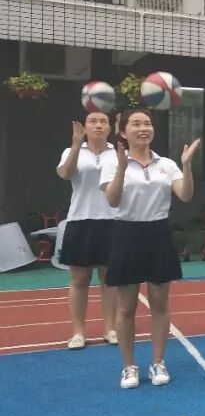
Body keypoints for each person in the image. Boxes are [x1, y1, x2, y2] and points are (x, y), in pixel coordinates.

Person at [100, 108, 199, 389]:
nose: (143, 128)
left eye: (147, 123)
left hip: (158, 234)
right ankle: (128, 366)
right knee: (126, 307)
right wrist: (121, 169)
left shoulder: (166, 164)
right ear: (123, 131)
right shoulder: (113, 162)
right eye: (135, 124)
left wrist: (187, 166)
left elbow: (185, 195)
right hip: (126, 233)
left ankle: (158, 362)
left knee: (159, 304)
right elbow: (113, 200)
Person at [57, 112, 118, 349]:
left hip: (112, 220)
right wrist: (75, 145)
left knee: (109, 279)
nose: (98, 125)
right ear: (85, 127)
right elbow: (65, 174)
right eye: (93, 121)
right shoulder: (72, 151)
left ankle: (110, 328)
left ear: (110, 128)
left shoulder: (117, 153)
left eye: (103, 122)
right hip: (80, 219)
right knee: (79, 279)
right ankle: (78, 332)